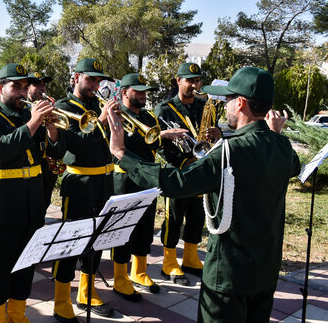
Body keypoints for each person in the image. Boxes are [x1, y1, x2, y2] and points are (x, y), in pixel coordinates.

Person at [109, 66, 300, 323]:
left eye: (228, 100)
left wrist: (122, 153)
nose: (225, 106)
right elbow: (293, 166)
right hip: (265, 272)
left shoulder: (229, 152)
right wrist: (274, 134)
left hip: (229, 274)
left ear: (241, 103)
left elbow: (174, 183)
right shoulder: (283, 146)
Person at [0, 63, 64, 323]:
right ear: (1, 88)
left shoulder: (29, 114)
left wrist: (52, 129)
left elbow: (56, 153)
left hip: (31, 202)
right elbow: (0, 150)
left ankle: (17, 314)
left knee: (26, 264)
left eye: (25, 87)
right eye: (16, 87)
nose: (22, 92)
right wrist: (35, 122)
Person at [109, 73, 189, 301]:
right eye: (138, 91)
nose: (144, 95)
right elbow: (120, 146)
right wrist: (161, 135)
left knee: (144, 227)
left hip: (147, 178)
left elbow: (153, 144)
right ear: (125, 92)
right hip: (124, 178)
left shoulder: (148, 116)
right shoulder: (116, 116)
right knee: (122, 230)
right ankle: (120, 278)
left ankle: (139, 271)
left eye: (145, 91)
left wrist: (162, 137)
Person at [52, 58, 116, 322]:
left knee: (96, 242)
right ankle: (61, 300)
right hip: (79, 184)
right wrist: (101, 121)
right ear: (76, 77)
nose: (95, 85)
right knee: (69, 244)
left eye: (98, 80)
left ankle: (86, 292)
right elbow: (74, 146)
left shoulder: (97, 104)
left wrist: (115, 122)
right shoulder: (64, 107)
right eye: (90, 79)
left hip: (105, 183)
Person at [154, 62, 220, 285]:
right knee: (174, 218)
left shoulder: (205, 105)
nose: (194, 85)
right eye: (190, 81)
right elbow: (160, 146)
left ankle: (191, 258)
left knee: (196, 216)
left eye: (198, 81)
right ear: (178, 81)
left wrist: (217, 133)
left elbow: (210, 137)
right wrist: (185, 161)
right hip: (178, 171)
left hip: (200, 170)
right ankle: (169, 262)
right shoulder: (164, 109)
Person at [26, 71, 60, 207]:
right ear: (27, 87)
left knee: (45, 203)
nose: (42, 88)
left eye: (44, 85)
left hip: (48, 164)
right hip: (32, 163)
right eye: (37, 85)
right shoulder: (22, 108)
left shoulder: (48, 106)